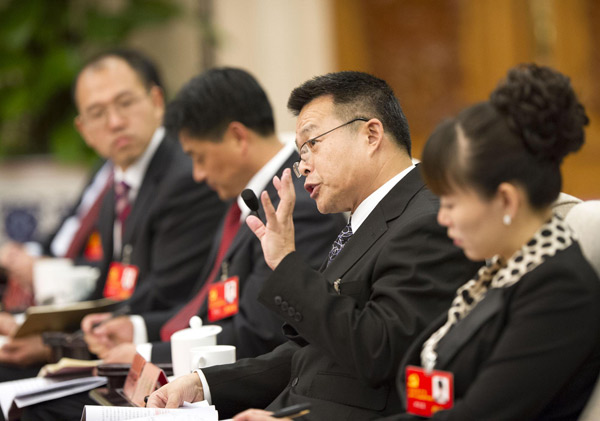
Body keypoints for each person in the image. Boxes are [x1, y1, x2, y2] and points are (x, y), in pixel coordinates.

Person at [146, 71, 481, 419]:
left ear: (371, 134)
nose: (302, 165)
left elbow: (378, 351)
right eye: (298, 151)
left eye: (312, 144)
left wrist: (287, 265)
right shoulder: (368, 218)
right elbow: (315, 354)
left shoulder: (426, 221)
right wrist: (201, 383)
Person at [80, 67, 347, 363]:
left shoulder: (295, 205)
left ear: (237, 137)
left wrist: (146, 354)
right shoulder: (244, 198)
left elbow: (260, 332)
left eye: (199, 157)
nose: (197, 174)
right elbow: (207, 307)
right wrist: (138, 330)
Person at [386, 64, 600, 420]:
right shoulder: (505, 269)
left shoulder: (559, 288)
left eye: (451, 203)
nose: (442, 218)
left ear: (506, 201)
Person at [0, 49, 225, 380]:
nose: (116, 122)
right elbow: (108, 288)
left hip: (166, 359)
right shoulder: (117, 179)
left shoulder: (185, 177)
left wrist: (56, 345)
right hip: (110, 342)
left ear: (157, 101)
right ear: (84, 129)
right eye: (98, 113)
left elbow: (161, 295)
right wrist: (26, 327)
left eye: (125, 103)